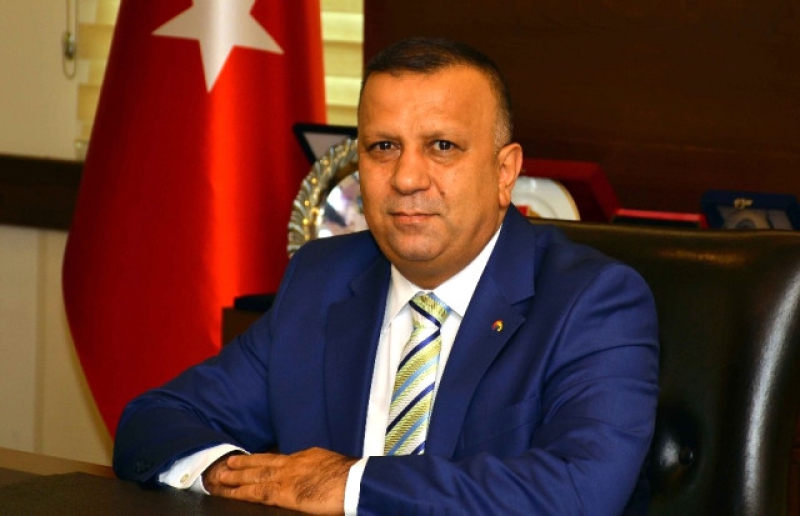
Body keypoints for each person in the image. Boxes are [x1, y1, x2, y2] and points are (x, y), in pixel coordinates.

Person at [113, 37, 659, 515]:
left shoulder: (591, 302)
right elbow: (155, 420)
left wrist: (351, 485)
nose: (406, 178)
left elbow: (580, 492)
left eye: (441, 146)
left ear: (504, 172)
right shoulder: (321, 280)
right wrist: (232, 475)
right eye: (383, 147)